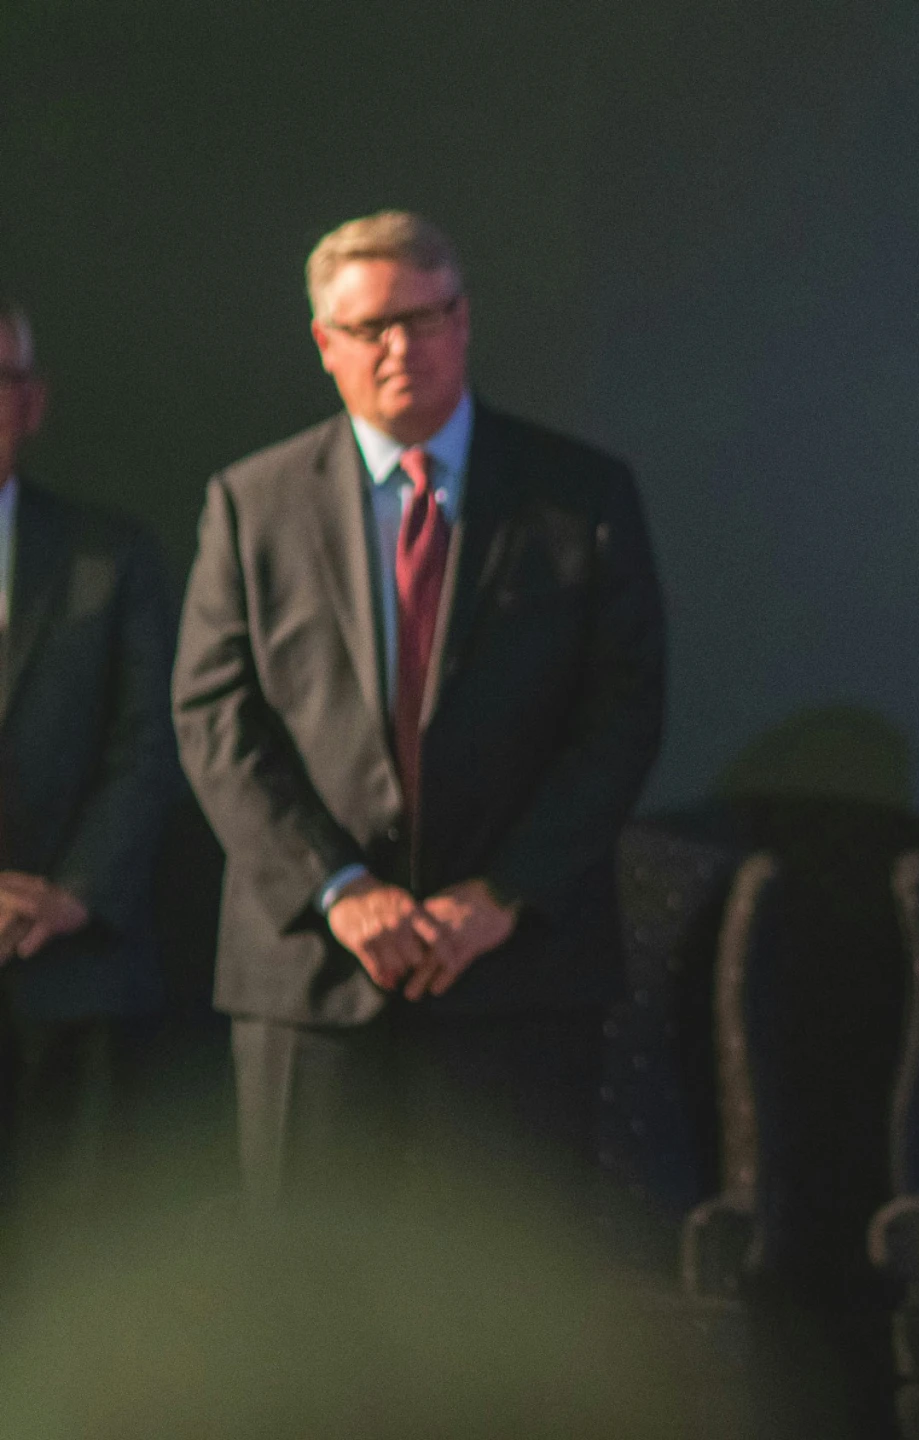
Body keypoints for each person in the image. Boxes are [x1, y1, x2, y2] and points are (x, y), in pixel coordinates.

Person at [172, 212, 666, 1211]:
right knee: (309, 1312)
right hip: (310, 979)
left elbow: (622, 717)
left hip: (518, 974)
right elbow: (215, 717)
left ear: (465, 319)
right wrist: (339, 886)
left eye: (425, 316)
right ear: (325, 343)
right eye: (368, 327)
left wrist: (501, 894)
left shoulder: (581, 494)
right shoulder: (250, 501)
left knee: (506, 1316)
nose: (400, 347)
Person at [0, 299, 180, 1224]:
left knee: (65, 1270)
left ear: (31, 402)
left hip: (75, 971)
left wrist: (72, 891)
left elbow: (152, 741)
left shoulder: (111, 556)